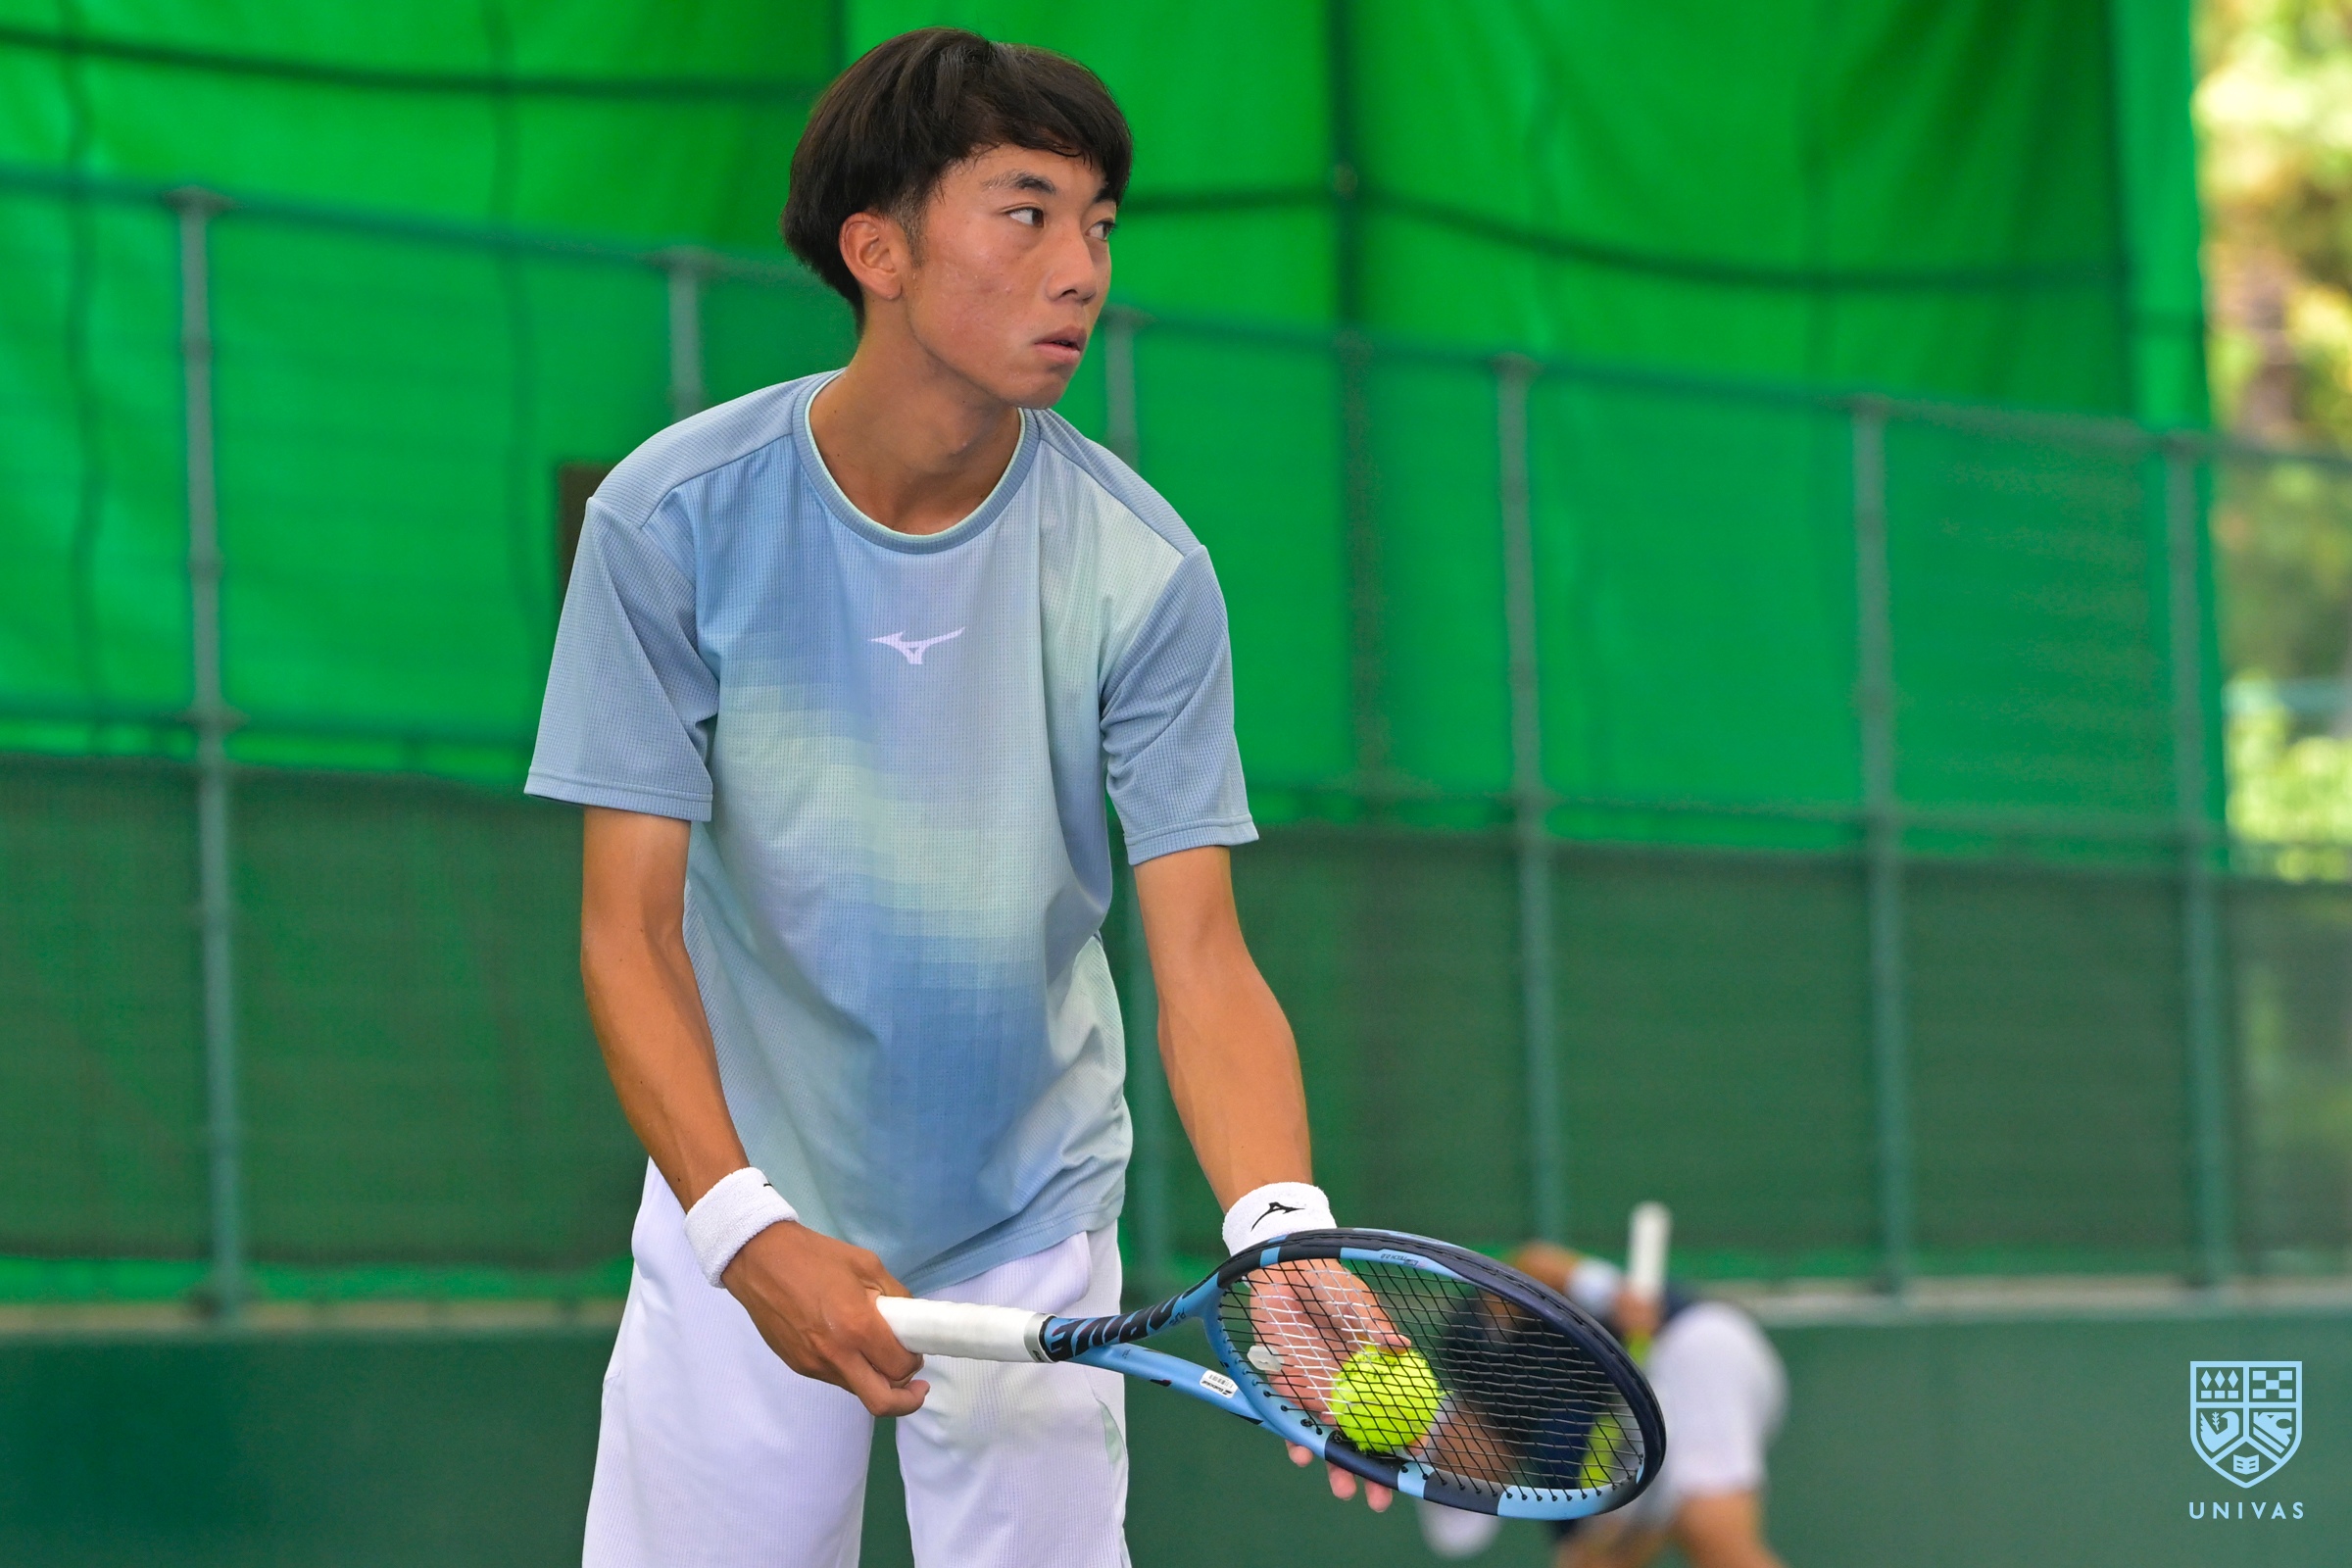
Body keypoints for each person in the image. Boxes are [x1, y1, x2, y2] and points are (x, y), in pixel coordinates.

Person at [527, 28, 1382, 1568]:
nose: (1081, 271)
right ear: (880, 251)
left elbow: (1201, 957)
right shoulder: (669, 522)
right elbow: (626, 936)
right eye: (1026, 213)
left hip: (1030, 1226)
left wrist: (1281, 1233)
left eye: (1100, 225)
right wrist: (740, 1228)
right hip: (743, 1201)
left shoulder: (1145, 569)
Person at [1415, 1242, 1789, 1568]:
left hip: (1691, 1343)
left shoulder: (1469, 1350)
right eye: (1475, 1486)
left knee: (1709, 1531)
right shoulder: (1555, 1471)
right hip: (1670, 1399)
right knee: (1693, 1537)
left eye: (1452, 1470)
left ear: (1438, 1439)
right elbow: (1627, 1537)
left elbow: (1534, 1263)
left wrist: (1610, 1291)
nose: (1472, 1471)